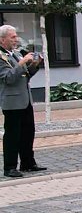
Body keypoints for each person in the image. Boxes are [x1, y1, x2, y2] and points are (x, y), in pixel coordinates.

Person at [0, 26, 44, 178]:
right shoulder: (1, 57)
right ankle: (10, 167)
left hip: (25, 100)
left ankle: (28, 163)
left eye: (16, 36)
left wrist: (34, 65)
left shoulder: (16, 54)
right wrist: (22, 63)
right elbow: (8, 78)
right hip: (12, 102)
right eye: (12, 37)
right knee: (13, 135)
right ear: (2, 39)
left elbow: (25, 76)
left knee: (27, 132)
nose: (16, 39)